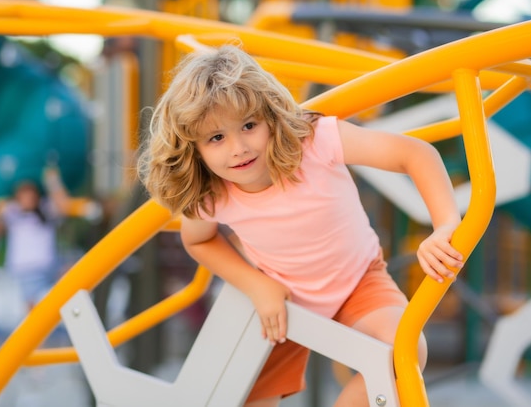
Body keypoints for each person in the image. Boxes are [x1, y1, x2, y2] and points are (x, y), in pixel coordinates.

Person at [138, 44, 464, 407]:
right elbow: (199, 242)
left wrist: (445, 223)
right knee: (244, 393)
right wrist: (258, 285)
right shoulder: (210, 193)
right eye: (216, 138)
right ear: (193, 148)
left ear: (270, 116)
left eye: (249, 125)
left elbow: (414, 154)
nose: (239, 147)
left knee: (405, 350)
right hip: (282, 297)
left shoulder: (313, 141)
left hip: (358, 280)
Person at [0, 167, 71, 311]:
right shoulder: (12, 213)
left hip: (47, 270)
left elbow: (64, 206)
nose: (29, 199)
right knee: (31, 311)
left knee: (68, 278)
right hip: (24, 272)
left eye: (31, 194)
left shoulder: (45, 211)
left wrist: (53, 182)